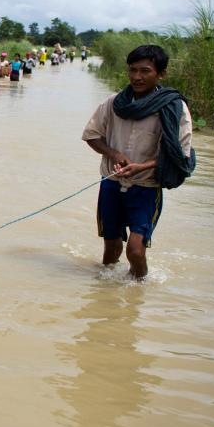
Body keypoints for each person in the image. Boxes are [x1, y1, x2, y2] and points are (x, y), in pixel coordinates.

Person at [81, 44, 195, 279]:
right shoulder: (113, 103)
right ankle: (106, 294)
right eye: (133, 70)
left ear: (161, 74)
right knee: (111, 247)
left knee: (135, 250)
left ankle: (138, 290)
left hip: (146, 188)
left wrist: (141, 166)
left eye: (145, 71)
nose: (137, 77)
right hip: (111, 184)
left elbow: (180, 154)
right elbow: (91, 136)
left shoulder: (174, 109)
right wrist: (113, 153)